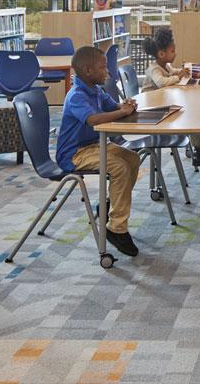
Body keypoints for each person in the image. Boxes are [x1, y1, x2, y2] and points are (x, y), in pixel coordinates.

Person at [55, 45, 143, 257]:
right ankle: (116, 228)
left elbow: (114, 108)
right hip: (75, 154)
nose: (108, 72)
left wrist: (126, 105)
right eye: (103, 68)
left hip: (94, 146)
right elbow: (93, 120)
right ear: (87, 70)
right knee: (119, 168)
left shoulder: (96, 90)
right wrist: (121, 111)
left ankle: (109, 207)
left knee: (131, 159)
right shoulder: (76, 95)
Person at [142, 27, 200, 168]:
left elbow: (173, 72)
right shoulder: (154, 68)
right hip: (153, 110)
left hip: (164, 103)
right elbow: (161, 82)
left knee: (194, 113)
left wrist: (183, 71)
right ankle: (199, 151)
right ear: (161, 53)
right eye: (172, 51)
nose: (175, 54)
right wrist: (178, 76)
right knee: (189, 115)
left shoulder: (166, 65)